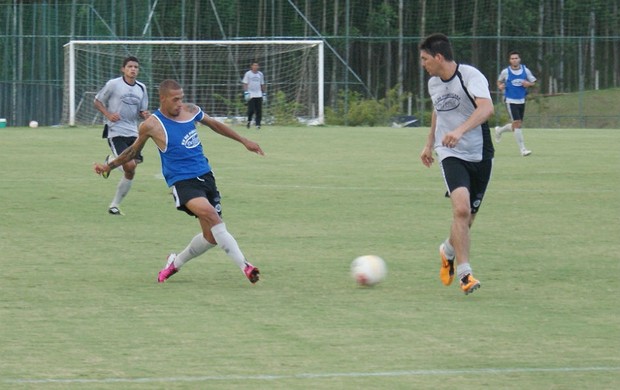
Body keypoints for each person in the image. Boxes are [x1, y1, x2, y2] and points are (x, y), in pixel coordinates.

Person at [94, 79, 264, 284]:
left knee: (210, 237)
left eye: (181, 99)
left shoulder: (191, 111)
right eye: (175, 100)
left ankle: (175, 262)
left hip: (206, 177)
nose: (179, 104)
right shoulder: (151, 125)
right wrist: (109, 166)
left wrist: (244, 141)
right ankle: (246, 267)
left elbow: (215, 125)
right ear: (163, 99)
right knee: (212, 216)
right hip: (183, 182)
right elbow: (132, 151)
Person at [418, 33, 495, 295]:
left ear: (439, 57)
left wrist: (461, 130)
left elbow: (486, 109)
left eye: (425, 58)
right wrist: (430, 143)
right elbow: (438, 111)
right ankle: (465, 275)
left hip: (479, 153)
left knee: (468, 219)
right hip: (449, 153)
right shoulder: (433, 84)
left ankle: (447, 250)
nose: (423, 63)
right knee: (461, 210)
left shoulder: (471, 76)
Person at [94, 56, 150, 215]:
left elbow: (141, 111)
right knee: (130, 165)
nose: (133, 69)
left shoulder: (142, 88)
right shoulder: (114, 84)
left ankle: (114, 205)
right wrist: (108, 114)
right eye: (130, 66)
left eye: (136, 67)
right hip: (115, 130)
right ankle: (112, 163)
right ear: (123, 69)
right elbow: (97, 101)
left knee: (131, 169)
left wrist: (145, 114)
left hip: (134, 132)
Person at [495, 50, 537, 156]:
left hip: (521, 100)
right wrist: (500, 86)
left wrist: (528, 84)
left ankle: (499, 130)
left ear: (519, 59)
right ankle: (523, 149)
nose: (514, 60)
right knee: (517, 124)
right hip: (510, 100)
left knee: (516, 125)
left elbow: (533, 82)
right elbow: (499, 81)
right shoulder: (506, 71)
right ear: (510, 60)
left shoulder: (525, 70)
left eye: (516, 58)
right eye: (512, 58)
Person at [242, 62, 266, 130]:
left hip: (258, 94)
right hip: (251, 94)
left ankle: (258, 125)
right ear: (251, 66)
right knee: (251, 110)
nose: (256, 66)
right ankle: (249, 121)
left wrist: (264, 93)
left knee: (259, 110)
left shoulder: (260, 74)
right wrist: (246, 92)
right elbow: (245, 83)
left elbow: (262, 84)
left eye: (257, 65)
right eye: (254, 65)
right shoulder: (248, 74)